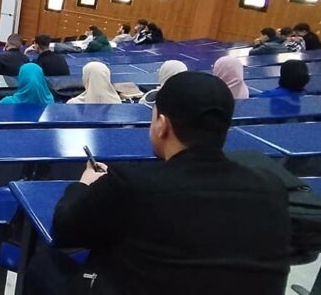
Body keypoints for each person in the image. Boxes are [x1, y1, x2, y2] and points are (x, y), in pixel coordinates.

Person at [39, 72, 290, 294]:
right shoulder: (272, 188)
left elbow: (65, 231)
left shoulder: (130, 184)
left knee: (43, 260)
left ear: (162, 125)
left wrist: (84, 185)